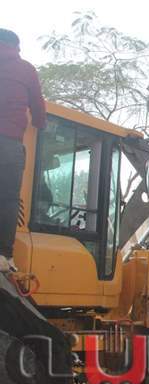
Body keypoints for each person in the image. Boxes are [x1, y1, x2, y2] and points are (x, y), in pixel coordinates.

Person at [0, 29, 46, 272]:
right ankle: (4, 255)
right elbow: (38, 110)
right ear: (15, 46)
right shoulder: (25, 69)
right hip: (8, 143)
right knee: (8, 199)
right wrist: (41, 124)